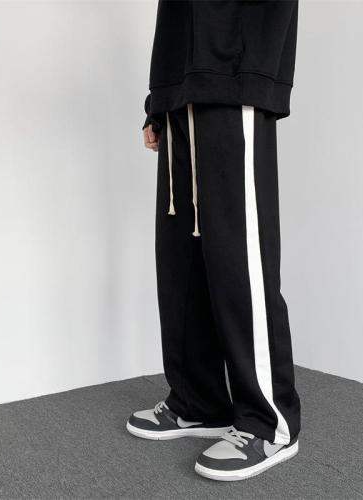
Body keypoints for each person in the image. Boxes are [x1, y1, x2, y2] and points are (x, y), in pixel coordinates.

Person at [127, 0, 300, 481]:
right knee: (181, 257)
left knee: (239, 257)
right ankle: (198, 401)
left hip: (235, 68)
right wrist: (160, 98)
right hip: (180, 83)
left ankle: (269, 421)